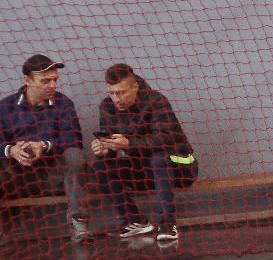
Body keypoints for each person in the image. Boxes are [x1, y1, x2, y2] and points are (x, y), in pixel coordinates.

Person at [91, 64, 200, 244]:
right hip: (144, 171)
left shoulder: (156, 101)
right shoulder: (106, 107)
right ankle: (134, 220)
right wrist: (105, 150)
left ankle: (168, 224)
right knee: (100, 168)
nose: (116, 99)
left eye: (121, 93)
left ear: (135, 87)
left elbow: (165, 140)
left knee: (158, 158)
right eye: (112, 93)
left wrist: (129, 143)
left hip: (180, 168)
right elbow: (111, 149)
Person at [0, 54, 90, 240]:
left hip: (54, 177)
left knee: (75, 154)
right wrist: (12, 150)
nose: (53, 85)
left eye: (55, 79)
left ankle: (78, 223)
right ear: (27, 80)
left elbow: (75, 139)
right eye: (45, 81)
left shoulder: (63, 103)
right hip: (16, 178)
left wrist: (44, 145)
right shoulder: (5, 107)